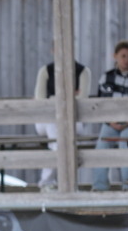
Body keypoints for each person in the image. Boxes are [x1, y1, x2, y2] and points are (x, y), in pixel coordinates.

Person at [33, 57, 90, 190]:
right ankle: (68, 182)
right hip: (46, 119)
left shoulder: (83, 72)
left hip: (74, 120)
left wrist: (53, 98)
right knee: (57, 130)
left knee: (59, 138)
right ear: (53, 51)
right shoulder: (45, 71)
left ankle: (47, 182)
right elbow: (40, 100)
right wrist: (69, 96)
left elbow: (82, 99)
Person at [92, 41, 128, 191]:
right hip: (110, 123)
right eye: (123, 56)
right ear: (115, 57)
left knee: (126, 147)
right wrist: (109, 120)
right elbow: (100, 103)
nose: (126, 60)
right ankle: (100, 187)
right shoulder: (106, 77)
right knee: (101, 149)